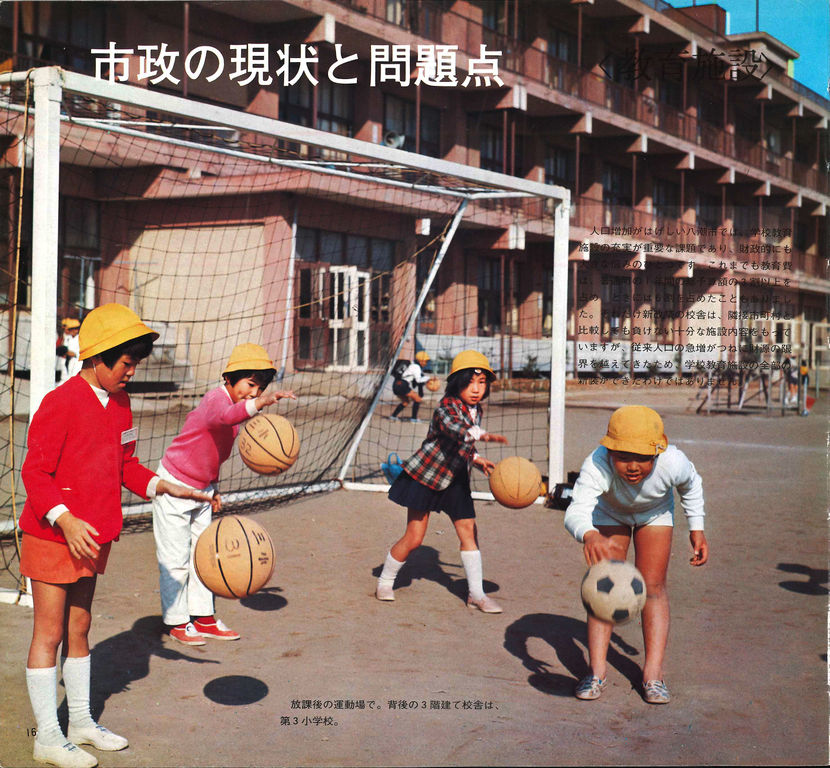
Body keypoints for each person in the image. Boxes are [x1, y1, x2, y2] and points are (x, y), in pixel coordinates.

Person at [19, 303, 215, 768]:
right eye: (126, 363)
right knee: (49, 632)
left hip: (92, 537)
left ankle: (80, 723)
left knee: (80, 627)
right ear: (98, 357)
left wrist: (165, 485)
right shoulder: (60, 402)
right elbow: (35, 473)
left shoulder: (121, 403)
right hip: (53, 534)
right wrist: (66, 520)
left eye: (135, 363)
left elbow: (126, 466)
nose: (132, 372)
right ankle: (47, 737)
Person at [152, 343, 296, 646]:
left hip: (202, 490)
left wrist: (214, 487)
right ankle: (177, 621)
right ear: (229, 377)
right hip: (174, 485)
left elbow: (216, 453)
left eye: (260, 389)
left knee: (204, 555)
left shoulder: (234, 412)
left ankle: (203, 617)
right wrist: (263, 403)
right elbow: (225, 417)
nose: (254, 393)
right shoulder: (215, 400)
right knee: (175, 559)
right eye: (250, 384)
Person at [563, 405, 708, 704]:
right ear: (610, 451)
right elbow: (576, 510)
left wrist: (697, 527)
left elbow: (691, 485)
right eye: (623, 457)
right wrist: (589, 534)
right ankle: (596, 671)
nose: (632, 466)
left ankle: (653, 674)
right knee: (604, 586)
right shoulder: (597, 463)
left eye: (642, 457)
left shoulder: (673, 461)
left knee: (652, 587)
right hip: (609, 512)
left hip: (654, 514)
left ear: (657, 452)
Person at [376, 350, 508, 612]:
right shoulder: (446, 406)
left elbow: (463, 443)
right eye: (470, 383)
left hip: (456, 479)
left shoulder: (476, 409)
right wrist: (478, 434)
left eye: (482, 383)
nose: (476, 389)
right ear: (457, 383)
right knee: (415, 537)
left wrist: (476, 458)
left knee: (469, 531)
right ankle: (385, 581)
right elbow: (453, 428)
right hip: (426, 476)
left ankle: (476, 595)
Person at [389, 350, 431, 422]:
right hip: (402, 385)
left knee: (405, 402)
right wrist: (429, 378)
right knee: (417, 399)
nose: (426, 363)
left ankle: (393, 416)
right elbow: (418, 380)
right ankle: (414, 419)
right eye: (425, 361)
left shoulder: (411, 365)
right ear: (421, 360)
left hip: (396, 384)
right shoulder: (416, 367)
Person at [59, 318, 82, 382]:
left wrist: (66, 352)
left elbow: (76, 354)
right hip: (68, 362)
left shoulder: (80, 339)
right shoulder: (68, 338)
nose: (69, 331)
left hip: (77, 363)